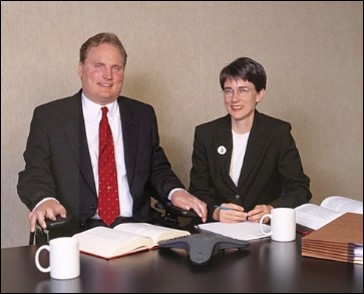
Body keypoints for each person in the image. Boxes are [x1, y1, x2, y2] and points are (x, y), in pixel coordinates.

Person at [18, 32, 207, 235]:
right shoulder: (50, 117)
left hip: (137, 227)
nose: (108, 75)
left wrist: (175, 192)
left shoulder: (142, 114)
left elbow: (156, 168)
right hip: (79, 230)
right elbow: (34, 173)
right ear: (80, 68)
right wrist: (45, 200)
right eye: (98, 66)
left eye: (116, 68)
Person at [188, 57, 311, 223]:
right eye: (228, 91)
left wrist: (271, 210)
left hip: (262, 231)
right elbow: (198, 191)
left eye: (243, 90)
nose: (234, 99)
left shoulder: (278, 132)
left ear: (259, 94)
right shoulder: (206, 134)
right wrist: (216, 212)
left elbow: (300, 188)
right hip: (218, 231)